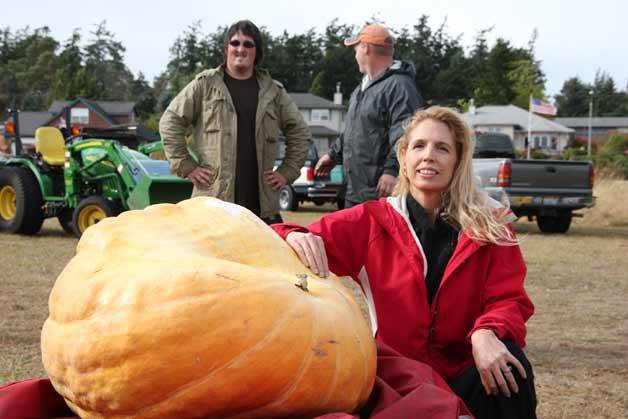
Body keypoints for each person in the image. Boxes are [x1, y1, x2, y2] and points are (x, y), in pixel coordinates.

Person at [272, 106, 537, 419]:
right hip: (399, 379)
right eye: (419, 146)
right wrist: (291, 235)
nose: (429, 156)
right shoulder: (373, 221)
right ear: (405, 159)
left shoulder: (490, 225)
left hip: (466, 369)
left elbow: (507, 299)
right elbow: (273, 238)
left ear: (457, 160)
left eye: (442, 148)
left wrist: (486, 333)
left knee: (511, 368)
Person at [159, 19, 311, 224]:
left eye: (248, 44)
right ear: (226, 48)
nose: (241, 49)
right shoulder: (204, 85)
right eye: (235, 43)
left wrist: (287, 171)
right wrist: (187, 166)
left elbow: (300, 132)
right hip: (213, 208)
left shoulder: (274, 92)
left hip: (261, 210)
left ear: (257, 52)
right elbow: (170, 121)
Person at [315, 24, 423, 208]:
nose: (355, 54)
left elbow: (407, 134)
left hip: (382, 194)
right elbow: (354, 130)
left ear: (365, 47)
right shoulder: (361, 89)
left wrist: (392, 171)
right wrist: (333, 155)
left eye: (356, 48)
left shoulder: (399, 86)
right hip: (355, 191)